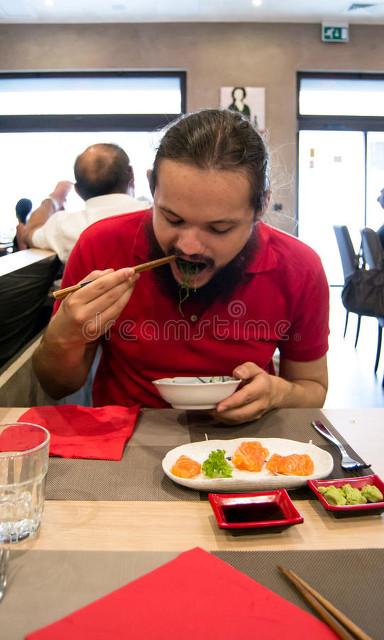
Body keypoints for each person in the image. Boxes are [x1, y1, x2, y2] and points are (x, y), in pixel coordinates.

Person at [33, 109, 329, 424]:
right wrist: (64, 333)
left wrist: (277, 393)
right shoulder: (101, 245)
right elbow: (57, 385)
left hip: (247, 446)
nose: (188, 246)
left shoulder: (298, 267)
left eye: (219, 229)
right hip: (126, 440)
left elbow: (312, 387)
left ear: (261, 206)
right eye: (172, 219)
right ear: (151, 185)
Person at [22, 143, 148, 263]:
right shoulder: (155, 215)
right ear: (131, 174)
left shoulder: (65, 227)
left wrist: (54, 198)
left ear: (78, 190)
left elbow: (30, 232)